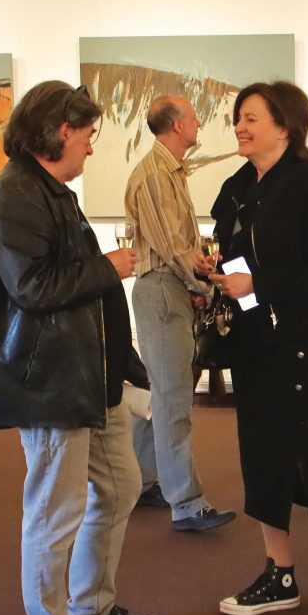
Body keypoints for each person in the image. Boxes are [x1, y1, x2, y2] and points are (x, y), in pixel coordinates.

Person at [0, 80, 160, 615]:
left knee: (120, 486)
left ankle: (91, 609)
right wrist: (109, 267)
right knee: (54, 511)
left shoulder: (48, 191)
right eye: (88, 135)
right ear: (60, 131)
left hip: (85, 377)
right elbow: (34, 288)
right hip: (47, 381)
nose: (91, 148)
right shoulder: (16, 196)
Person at [208, 81, 308, 615]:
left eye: (251, 118)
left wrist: (259, 283)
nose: (240, 127)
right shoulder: (238, 187)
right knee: (262, 456)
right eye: (238, 118)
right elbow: (232, 252)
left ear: (284, 126)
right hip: (255, 341)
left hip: (305, 343)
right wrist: (216, 276)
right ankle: (281, 574)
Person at [123, 96, 236, 532]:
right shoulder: (155, 175)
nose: (199, 122)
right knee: (173, 399)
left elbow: (179, 247)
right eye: (192, 117)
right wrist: (203, 284)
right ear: (175, 125)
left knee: (162, 391)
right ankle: (186, 503)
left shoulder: (170, 172)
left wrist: (198, 273)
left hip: (170, 290)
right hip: (162, 291)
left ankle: (145, 480)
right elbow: (172, 248)